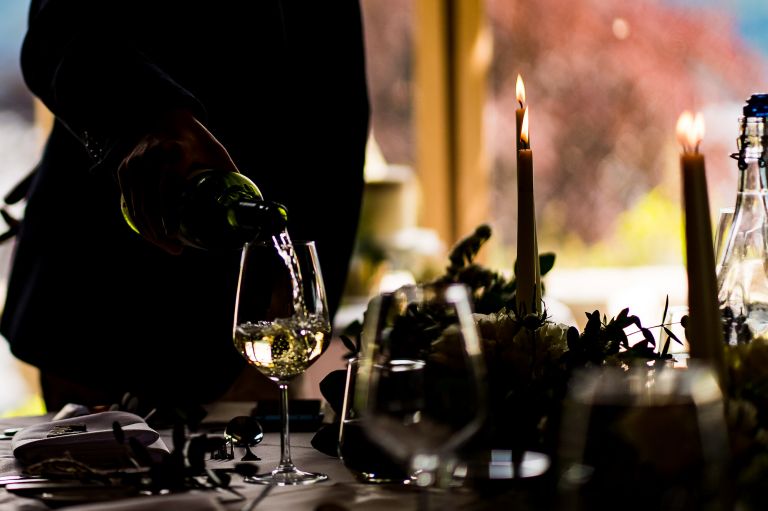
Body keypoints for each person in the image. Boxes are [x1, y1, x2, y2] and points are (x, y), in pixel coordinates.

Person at [0, 1, 369, 415]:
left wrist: (309, 296)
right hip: (97, 299)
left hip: (251, 320)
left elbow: (338, 111)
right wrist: (145, 117)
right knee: (89, 455)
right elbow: (57, 27)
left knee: (263, 456)